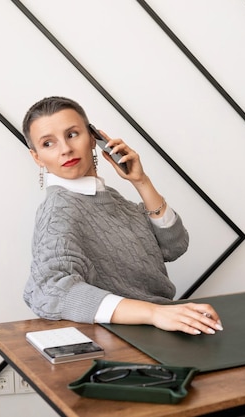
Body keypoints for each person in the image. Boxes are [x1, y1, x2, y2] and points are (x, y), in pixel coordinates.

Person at [22, 96, 222, 336]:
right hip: (122, 340)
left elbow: (174, 246)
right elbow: (49, 290)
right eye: (48, 143)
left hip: (162, 328)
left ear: (94, 138)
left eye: (73, 134)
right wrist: (154, 313)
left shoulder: (111, 198)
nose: (65, 149)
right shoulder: (58, 210)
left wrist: (141, 181)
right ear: (37, 157)